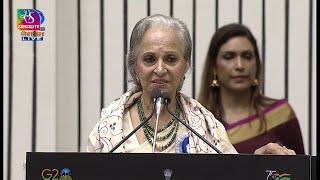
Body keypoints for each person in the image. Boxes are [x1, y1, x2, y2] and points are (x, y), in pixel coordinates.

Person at [87, 14, 295, 155]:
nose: (160, 69)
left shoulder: (206, 126)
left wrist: (257, 164)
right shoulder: (109, 126)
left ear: (185, 65)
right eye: (149, 59)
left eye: (170, 59)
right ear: (134, 65)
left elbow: (232, 173)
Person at [198, 23, 305, 154]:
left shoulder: (281, 114)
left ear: (256, 64)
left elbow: (302, 171)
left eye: (247, 56)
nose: (240, 65)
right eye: (229, 57)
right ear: (214, 66)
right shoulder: (197, 120)